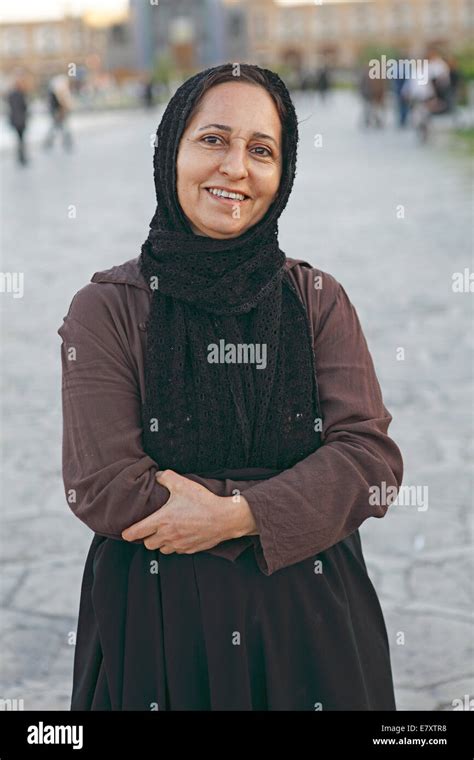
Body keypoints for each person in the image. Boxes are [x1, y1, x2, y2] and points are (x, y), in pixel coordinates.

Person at [58, 63, 403, 711]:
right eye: (213, 139)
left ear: (284, 173)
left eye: (262, 150)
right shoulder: (107, 309)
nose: (236, 168)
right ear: (171, 152)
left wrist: (237, 515)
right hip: (163, 626)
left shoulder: (316, 300)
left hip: (315, 622)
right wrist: (294, 499)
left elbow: (370, 460)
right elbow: (103, 484)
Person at [43, 74, 73, 151]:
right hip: (58, 113)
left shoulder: (55, 92)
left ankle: (51, 142)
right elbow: (58, 104)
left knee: (59, 128)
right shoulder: (56, 93)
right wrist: (60, 111)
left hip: (59, 113)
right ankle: (51, 142)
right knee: (59, 128)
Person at [6, 72, 29, 166]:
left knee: (19, 139)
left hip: (15, 120)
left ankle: (20, 157)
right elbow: (24, 107)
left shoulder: (11, 94)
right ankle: (22, 157)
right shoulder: (20, 94)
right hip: (20, 120)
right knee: (21, 139)